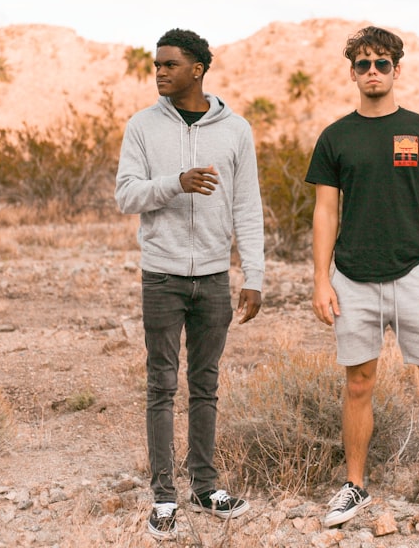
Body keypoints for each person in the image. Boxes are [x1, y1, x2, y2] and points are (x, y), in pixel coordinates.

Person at [306, 25, 419, 528]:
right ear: (354, 72)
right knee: (359, 384)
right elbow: (324, 213)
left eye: (382, 63)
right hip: (352, 279)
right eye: (363, 64)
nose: (373, 72)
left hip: (414, 273)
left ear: (397, 69)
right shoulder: (335, 136)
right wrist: (321, 279)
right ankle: (355, 486)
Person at [115, 28, 264, 540]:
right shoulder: (141, 127)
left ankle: (205, 485)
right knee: (161, 386)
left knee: (205, 386)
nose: (159, 72)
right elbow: (127, 196)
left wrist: (255, 276)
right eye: (156, 64)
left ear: (197, 68)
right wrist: (174, 183)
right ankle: (163, 496)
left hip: (216, 280)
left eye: (169, 64)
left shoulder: (235, 129)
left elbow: (248, 206)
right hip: (162, 276)